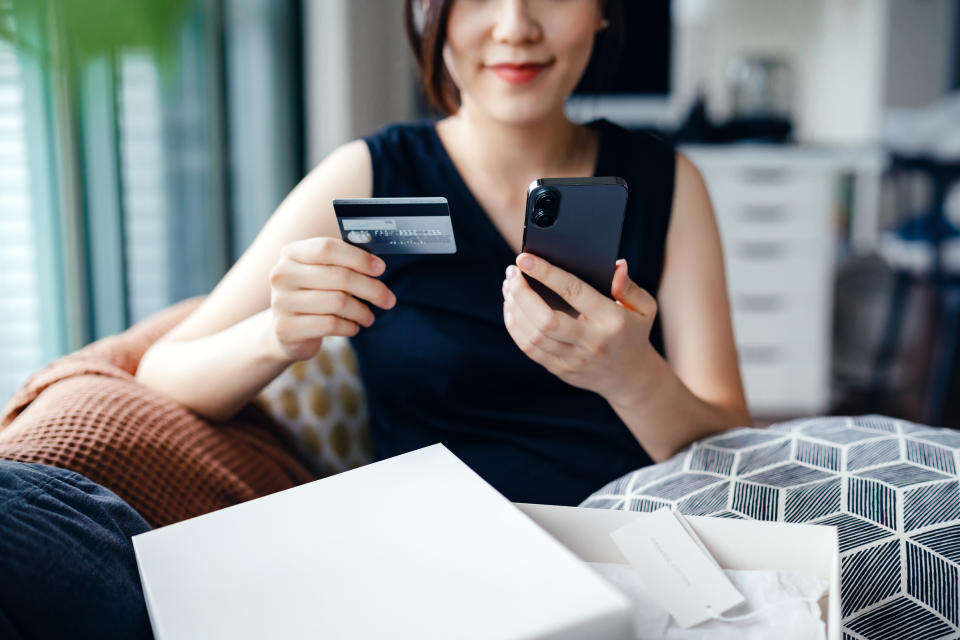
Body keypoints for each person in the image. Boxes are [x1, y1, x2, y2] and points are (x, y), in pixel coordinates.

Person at [136, 0, 750, 506]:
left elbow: (732, 449)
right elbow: (163, 370)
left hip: (636, 540)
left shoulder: (671, 182)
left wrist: (630, 377)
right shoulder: (366, 176)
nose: (516, 26)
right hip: (438, 557)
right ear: (427, 10)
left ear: (602, 11)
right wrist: (277, 336)